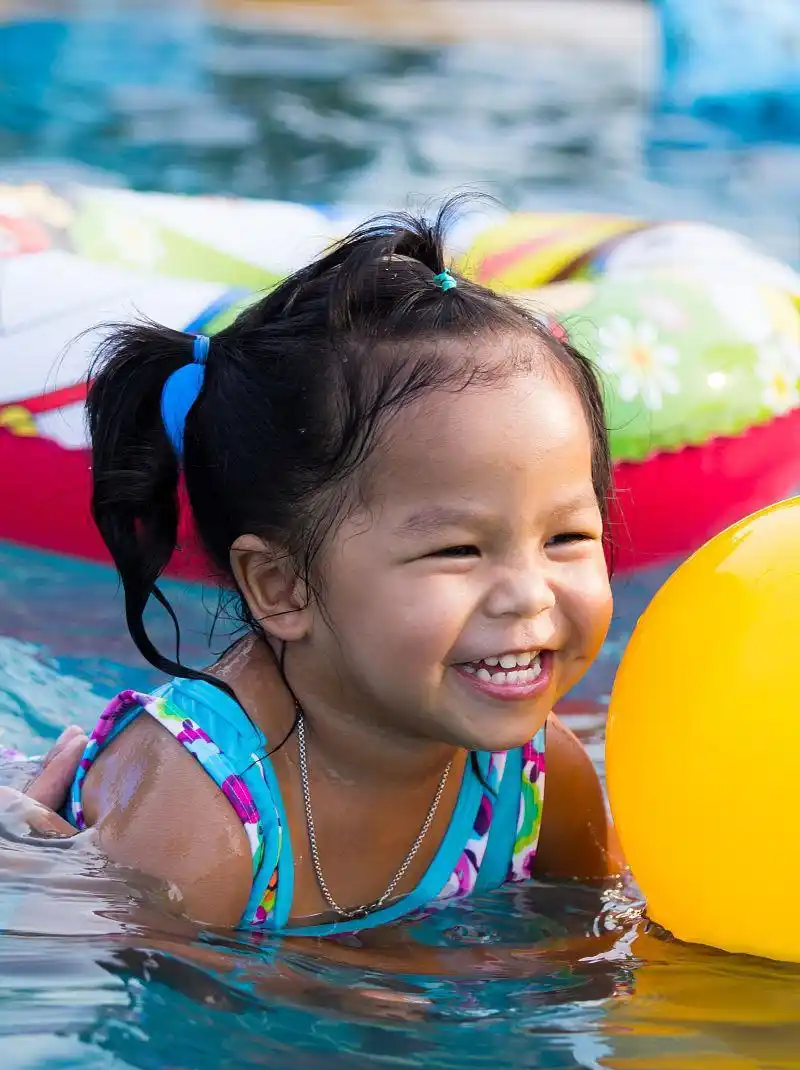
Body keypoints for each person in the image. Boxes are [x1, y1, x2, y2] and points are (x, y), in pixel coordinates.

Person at [4, 205, 621, 935]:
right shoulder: (198, 814)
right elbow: (169, 998)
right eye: (458, 550)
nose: (528, 595)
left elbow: (595, 956)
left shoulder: (537, 777)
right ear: (281, 586)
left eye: (567, 537)